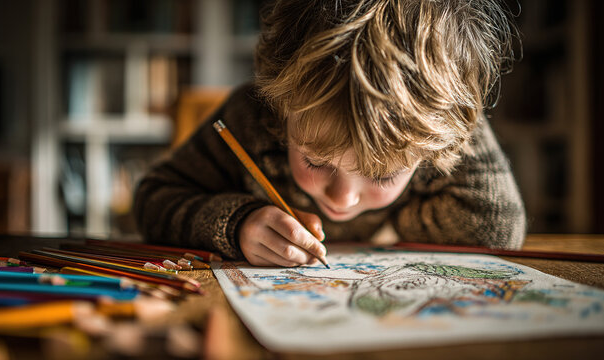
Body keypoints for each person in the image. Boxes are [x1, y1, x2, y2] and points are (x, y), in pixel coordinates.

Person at [133, 0, 526, 267]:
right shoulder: (250, 116)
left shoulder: (431, 127)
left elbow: (495, 226)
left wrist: (394, 227)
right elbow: (153, 200)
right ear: (281, 108)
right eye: (316, 160)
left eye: (382, 174)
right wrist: (238, 223)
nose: (344, 198)